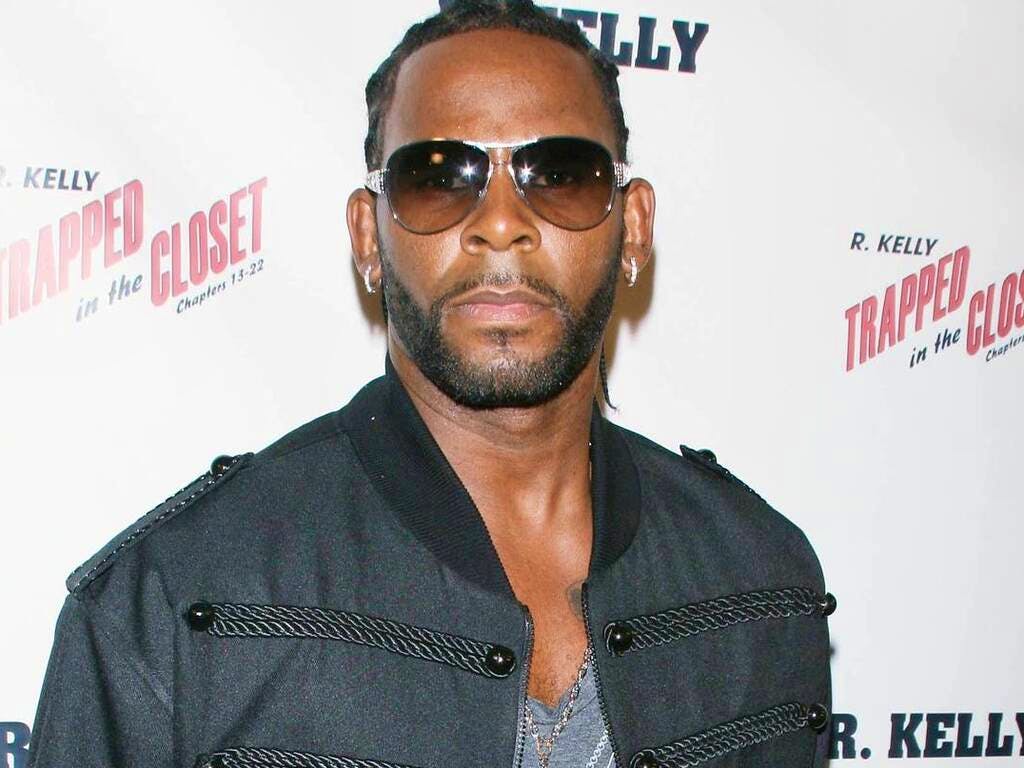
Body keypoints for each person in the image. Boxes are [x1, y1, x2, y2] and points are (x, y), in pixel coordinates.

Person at [26, 2, 834, 767]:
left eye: (561, 174)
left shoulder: (758, 578)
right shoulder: (175, 600)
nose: (501, 223)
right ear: (367, 236)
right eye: (438, 178)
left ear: (635, 226)